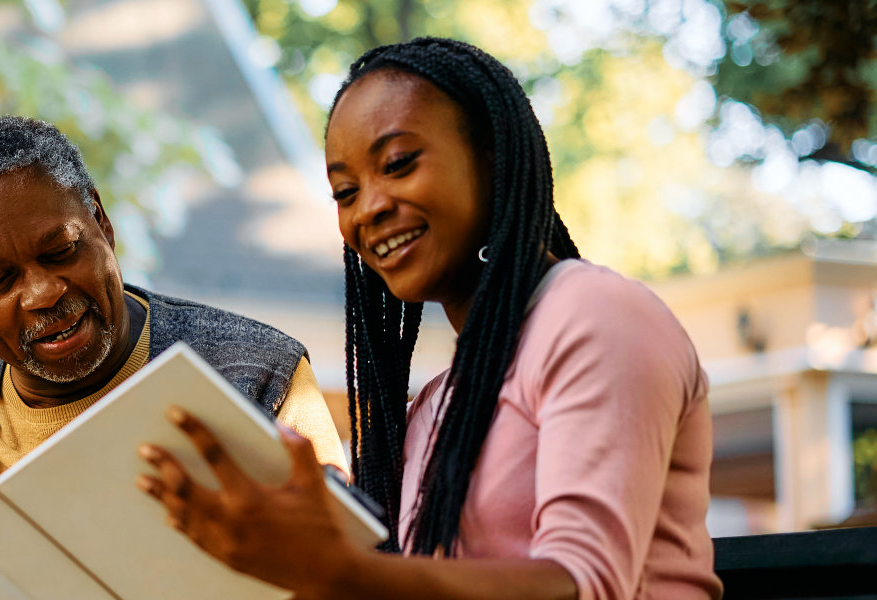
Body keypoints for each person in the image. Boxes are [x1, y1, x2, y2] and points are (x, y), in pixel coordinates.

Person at [137, 38, 721, 600]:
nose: (369, 207)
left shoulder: (595, 315)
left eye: (398, 163)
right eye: (345, 191)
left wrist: (336, 571)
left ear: (491, 157)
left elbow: (581, 585)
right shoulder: (433, 408)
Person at [0, 116, 351, 600]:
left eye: (60, 252)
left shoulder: (258, 376)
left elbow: (347, 571)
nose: (42, 294)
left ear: (101, 222)